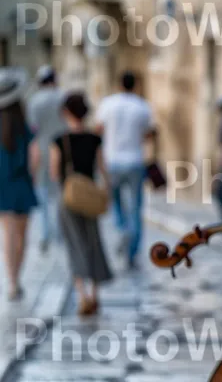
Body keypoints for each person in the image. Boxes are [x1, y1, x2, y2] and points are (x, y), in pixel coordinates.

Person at [51, 92, 112, 316]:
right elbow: (103, 168)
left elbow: (54, 172)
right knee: (93, 242)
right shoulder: (94, 139)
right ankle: (95, 295)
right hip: (90, 197)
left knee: (74, 244)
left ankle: (82, 295)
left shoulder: (60, 140)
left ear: (67, 113)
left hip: (69, 199)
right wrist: (106, 191)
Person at [96, 71, 154, 269]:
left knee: (116, 202)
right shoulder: (142, 106)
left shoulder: (107, 104)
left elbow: (99, 129)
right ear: (134, 85)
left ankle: (122, 229)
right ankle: (132, 250)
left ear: (119, 84)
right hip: (135, 161)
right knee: (136, 207)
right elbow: (149, 133)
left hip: (112, 161)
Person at [0, 68, 38, 301]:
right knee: (22, 236)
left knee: (7, 234)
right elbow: (35, 157)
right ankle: (17, 278)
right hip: (21, 184)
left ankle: (12, 280)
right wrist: (31, 177)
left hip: (2, 186)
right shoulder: (24, 125)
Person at [26, 65, 67, 251]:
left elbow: (33, 130)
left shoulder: (34, 101)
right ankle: (60, 231)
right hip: (62, 149)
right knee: (60, 191)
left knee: (42, 194)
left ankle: (45, 233)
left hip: (42, 151)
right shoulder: (63, 97)